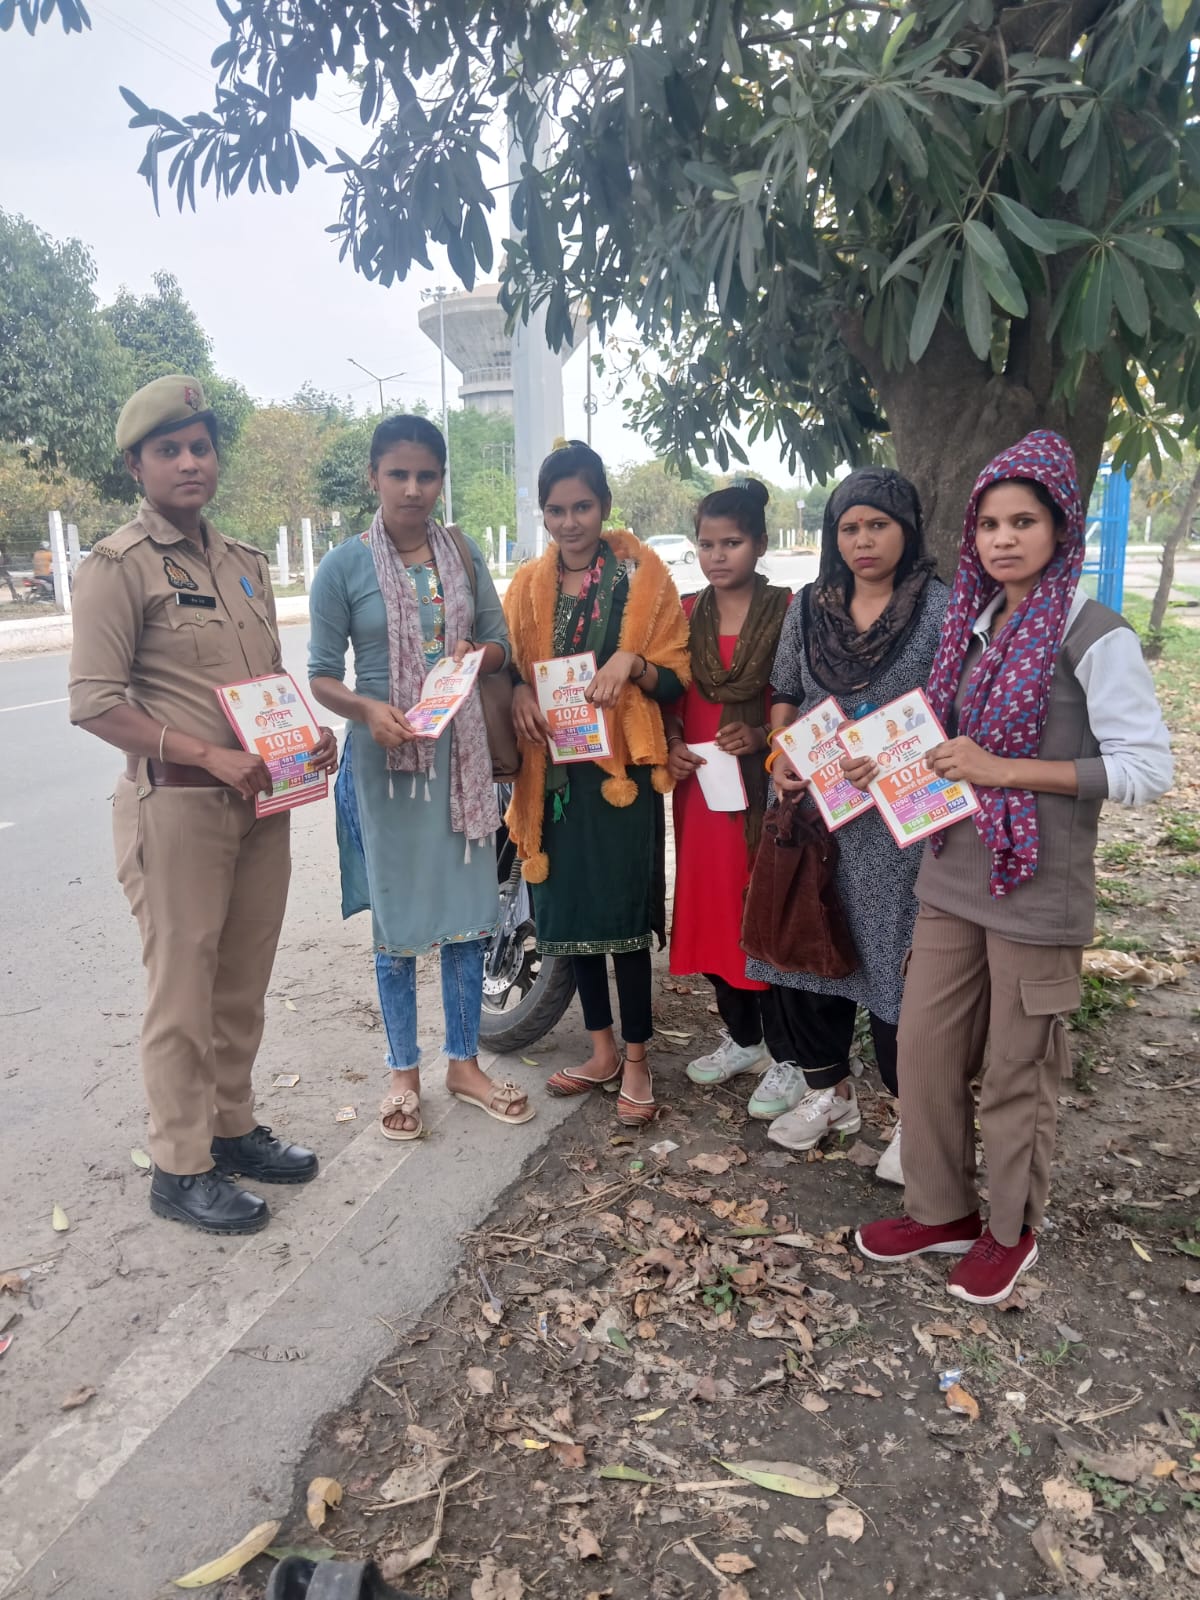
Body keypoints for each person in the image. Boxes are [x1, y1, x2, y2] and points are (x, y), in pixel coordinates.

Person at [855, 431, 1172, 1302]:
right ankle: (939, 1210)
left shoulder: (1093, 633)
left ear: (1061, 527)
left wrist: (1005, 771)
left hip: (1036, 889)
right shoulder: (977, 622)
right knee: (925, 1051)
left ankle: (1008, 1231)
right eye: (989, 524)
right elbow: (950, 747)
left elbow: (1147, 771)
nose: (1003, 539)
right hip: (952, 875)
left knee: (1014, 1071)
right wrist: (885, 764)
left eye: (1023, 522)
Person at [68, 375, 337, 1235]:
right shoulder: (117, 567)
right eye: (169, 450)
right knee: (183, 993)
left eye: (200, 447)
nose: (189, 462)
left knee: (242, 981)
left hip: (262, 804)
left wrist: (307, 736)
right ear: (136, 465)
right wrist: (204, 754)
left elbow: (265, 682)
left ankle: (232, 1127)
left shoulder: (245, 564)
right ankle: (180, 1166)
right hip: (177, 809)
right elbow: (94, 704)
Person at [308, 414, 530, 1141]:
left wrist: (476, 657)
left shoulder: (462, 554)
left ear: (441, 479)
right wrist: (367, 709)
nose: (412, 488)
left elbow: (500, 643)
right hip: (385, 764)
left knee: (469, 915)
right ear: (373, 477)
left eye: (426, 475)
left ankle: (463, 1064)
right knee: (398, 922)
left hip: (460, 758)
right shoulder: (343, 567)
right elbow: (321, 676)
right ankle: (403, 1072)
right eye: (398, 474)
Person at [745, 469, 948, 1179]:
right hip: (816, 818)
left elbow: (956, 712)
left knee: (896, 968)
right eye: (849, 528)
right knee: (806, 953)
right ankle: (829, 1093)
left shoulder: (941, 610)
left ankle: (914, 1119)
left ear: (907, 529)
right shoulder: (810, 607)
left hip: (900, 828)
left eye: (878, 525)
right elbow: (787, 691)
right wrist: (779, 754)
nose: (863, 540)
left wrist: (902, 758)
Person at [505, 440, 690, 1127]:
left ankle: (638, 1062)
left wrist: (633, 662)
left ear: (604, 506)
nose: (570, 522)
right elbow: (509, 668)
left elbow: (677, 677)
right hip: (553, 778)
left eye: (582, 507)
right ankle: (602, 1051)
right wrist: (517, 695)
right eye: (556, 510)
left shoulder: (642, 579)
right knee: (572, 922)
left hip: (621, 780)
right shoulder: (527, 585)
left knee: (620, 922)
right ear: (543, 513)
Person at [664, 481, 790, 1086]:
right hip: (700, 788)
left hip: (764, 791)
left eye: (732, 543)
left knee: (761, 907)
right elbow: (668, 694)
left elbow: (803, 694)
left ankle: (789, 1052)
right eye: (707, 544)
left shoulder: (787, 611)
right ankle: (742, 1037)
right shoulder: (685, 613)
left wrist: (764, 734)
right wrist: (671, 744)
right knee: (709, 910)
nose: (717, 556)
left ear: (760, 544)